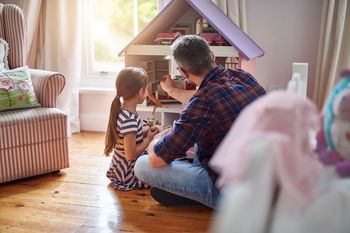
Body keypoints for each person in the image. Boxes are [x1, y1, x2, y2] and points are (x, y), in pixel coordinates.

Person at [134, 35, 266, 208]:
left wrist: (157, 138)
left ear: (183, 72)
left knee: (142, 165)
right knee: (200, 140)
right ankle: (189, 192)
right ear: (211, 55)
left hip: (231, 191)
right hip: (262, 175)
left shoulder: (202, 102)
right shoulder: (243, 76)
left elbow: (156, 160)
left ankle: (201, 196)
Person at [104, 67, 159, 191]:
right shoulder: (129, 119)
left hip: (124, 167)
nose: (147, 92)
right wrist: (148, 139)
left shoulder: (126, 112)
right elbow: (130, 154)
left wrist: (145, 133)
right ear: (140, 92)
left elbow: (131, 136)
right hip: (128, 173)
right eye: (146, 89)